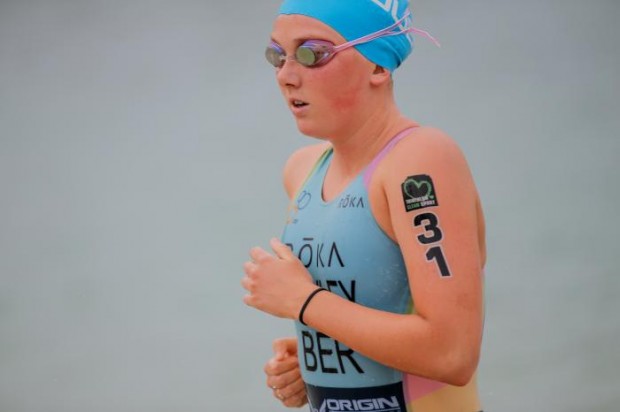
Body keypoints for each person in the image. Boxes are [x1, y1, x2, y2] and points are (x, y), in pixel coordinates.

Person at [241, 1, 486, 411]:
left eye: (312, 54)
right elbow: (364, 312)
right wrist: (313, 360)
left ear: (377, 66)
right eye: (278, 55)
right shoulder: (302, 170)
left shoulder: (420, 161)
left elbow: (452, 353)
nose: (286, 75)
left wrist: (304, 303)